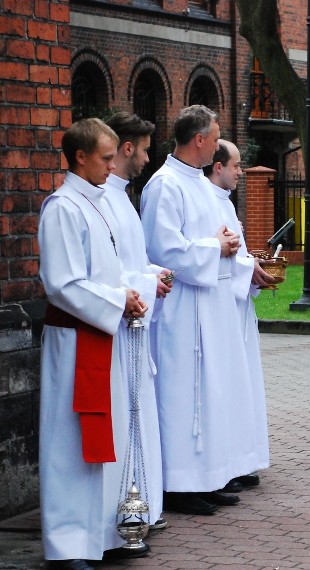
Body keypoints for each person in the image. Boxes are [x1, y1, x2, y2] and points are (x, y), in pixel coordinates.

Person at [38, 118, 148, 570]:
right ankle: (66, 545)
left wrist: (128, 290)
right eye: (105, 158)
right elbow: (62, 284)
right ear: (80, 157)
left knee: (105, 439)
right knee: (70, 444)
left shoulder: (95, 204)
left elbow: (104, 270)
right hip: (75, 341)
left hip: (102, 334)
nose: (112, 166)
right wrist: (117, 299)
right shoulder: (63, 208)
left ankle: (99, 535)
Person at [141, 105, 257, 515]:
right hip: (183, 310)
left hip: (210, 305)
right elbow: (163, 249)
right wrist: (216, 246)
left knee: (210, 394)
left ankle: (207, 477)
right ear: (199, 140)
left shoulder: (199, 185)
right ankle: (179, 484)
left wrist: (223, 242)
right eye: (216, 133)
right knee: (183, 394)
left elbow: (208, 238)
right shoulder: (165, 185)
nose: (219, 140)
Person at [102, 111, 172, 533]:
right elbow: (109, 271)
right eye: (145, 149)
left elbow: (132, 260)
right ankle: (132, 505)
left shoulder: (122, 196)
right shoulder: (105, 200)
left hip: (134, 320)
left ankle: (143, 502)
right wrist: (146, 282)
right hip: (118, 322)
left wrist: (152, 273)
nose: (148, 158)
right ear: (127, 148)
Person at [203, 139, 279, 490]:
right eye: (235, 165)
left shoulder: (226, 203)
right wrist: (245, 268)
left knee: (243, 382)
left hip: (237, 305)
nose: (239, 171)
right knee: (228, 384)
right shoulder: (207, 200)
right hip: (219, 307)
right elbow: (215, 255)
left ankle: (243, 457)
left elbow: (237, 254)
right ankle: (229, 462)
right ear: (218, 166)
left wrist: (253, 267)